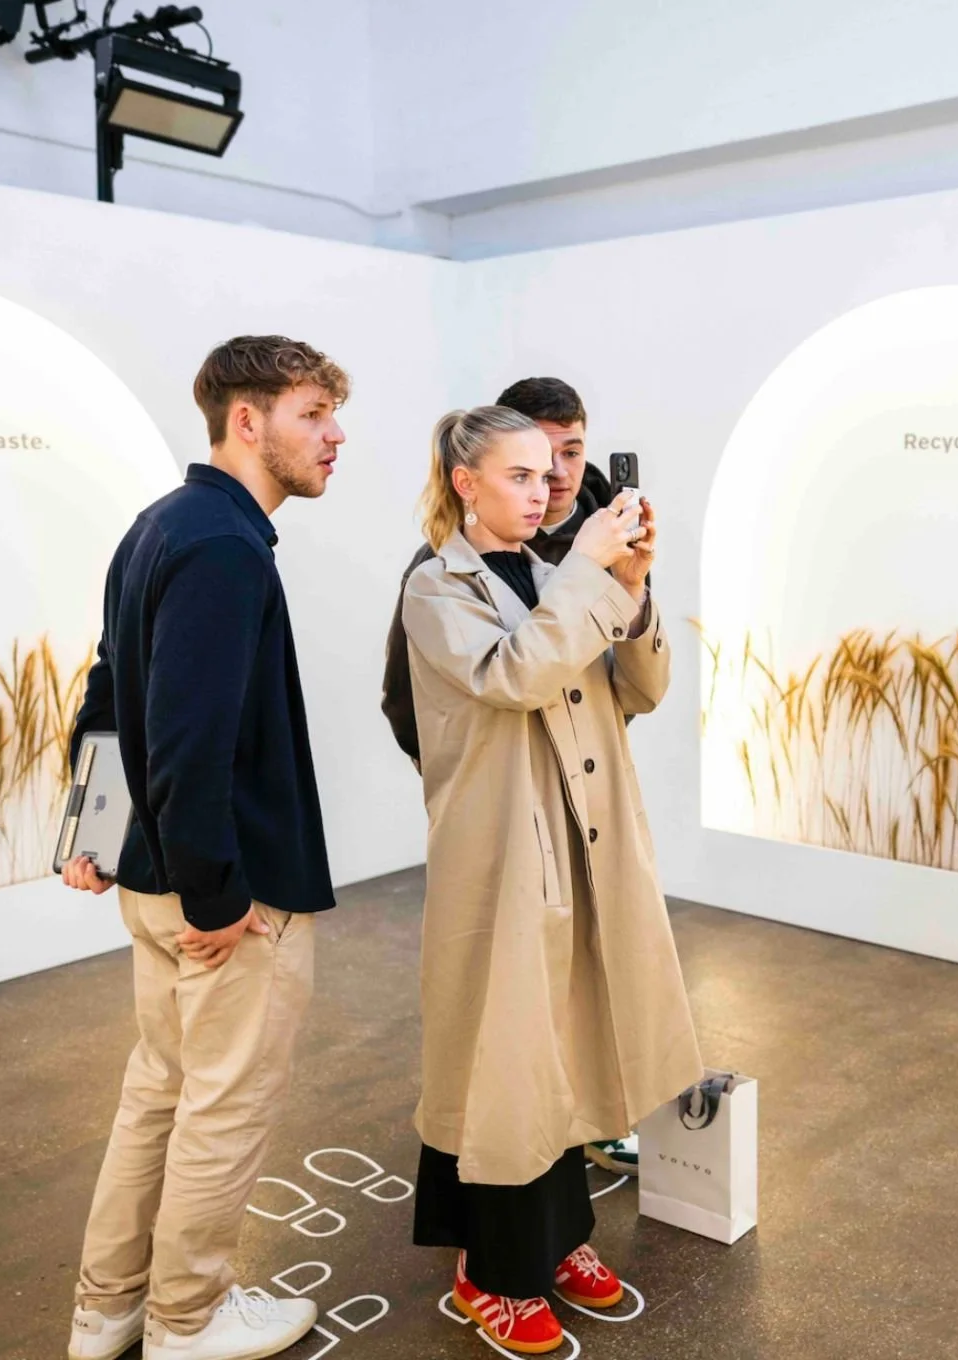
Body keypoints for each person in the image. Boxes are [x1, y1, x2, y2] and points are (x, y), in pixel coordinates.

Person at [59, 336, 348, 1360]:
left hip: (153, 876)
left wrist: (92, 831)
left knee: (160, 1092)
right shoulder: (224, 545)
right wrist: (218, 895)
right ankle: (188, 1317)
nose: (335, 435)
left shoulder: (159, 525)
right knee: (222, 1105)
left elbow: (108, 688)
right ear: (247, 421)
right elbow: (188, 740)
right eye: (313, 413)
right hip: (222, 896)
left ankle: (107, 1310)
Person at [398, 405, 704, 1356]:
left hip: (584, 840)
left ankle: (563, 1235)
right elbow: (515, 676)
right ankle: (492, 1270)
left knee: (565, 1042)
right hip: (502, 854)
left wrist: (634, 591)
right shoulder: (434, 587)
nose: (545, 491)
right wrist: (587, 577)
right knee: (505, 1057)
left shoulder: (548, 574)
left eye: (551, 473)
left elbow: (643, 688)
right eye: (521, 475)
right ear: (466, 483)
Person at [381, 376, 610, 766]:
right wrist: (467, 778)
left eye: (571, 453)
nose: (553, 478)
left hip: (591, 779)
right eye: (522, 474)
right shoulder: (436, 575)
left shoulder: (606, 547)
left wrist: (631, 584)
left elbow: (628, 691)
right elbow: (407, 704)